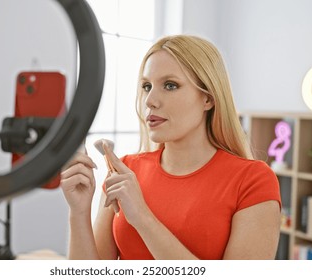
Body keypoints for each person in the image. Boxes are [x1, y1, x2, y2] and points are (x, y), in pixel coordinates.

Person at [60, 35, 281, 260]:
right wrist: (78, 211)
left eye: (170, 85)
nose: (150, 100)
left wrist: (142, 217)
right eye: (147, 86)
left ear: (208, 98)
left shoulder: (253, 181)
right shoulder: (125, 170)